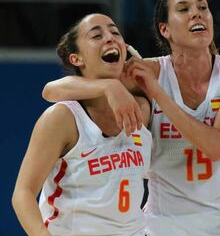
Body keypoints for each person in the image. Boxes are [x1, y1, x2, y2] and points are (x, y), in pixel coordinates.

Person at [42, 0, 220, 236]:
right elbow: (52, 90)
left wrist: (157, 92)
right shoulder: (146, 72)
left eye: (203, 7)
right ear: (164, 29)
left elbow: (217, 147)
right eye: (183, 9)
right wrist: (110, 87)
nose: (197, 13)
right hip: (166, 225)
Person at [12, 14, 152, 236]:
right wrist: (108, 87)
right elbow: (22, 194)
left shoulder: (142, 109)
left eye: (115, 33)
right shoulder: (63, 118)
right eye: (96, 35)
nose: (110, 38)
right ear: (76, 59)